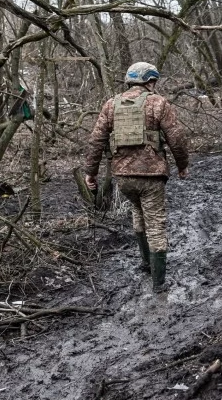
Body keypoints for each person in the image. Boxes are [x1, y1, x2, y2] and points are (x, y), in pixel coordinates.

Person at [83, 62, 190, 292]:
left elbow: (96, 141)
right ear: (150, 81)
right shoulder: (158, 103)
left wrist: (90, 173)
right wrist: (183, 165)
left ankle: (145, 263)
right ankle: (159, 283)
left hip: (123, 176)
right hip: (151, 175)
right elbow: (177, 139)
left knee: (137, 213)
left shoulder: (111, 105)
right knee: (156, 225)